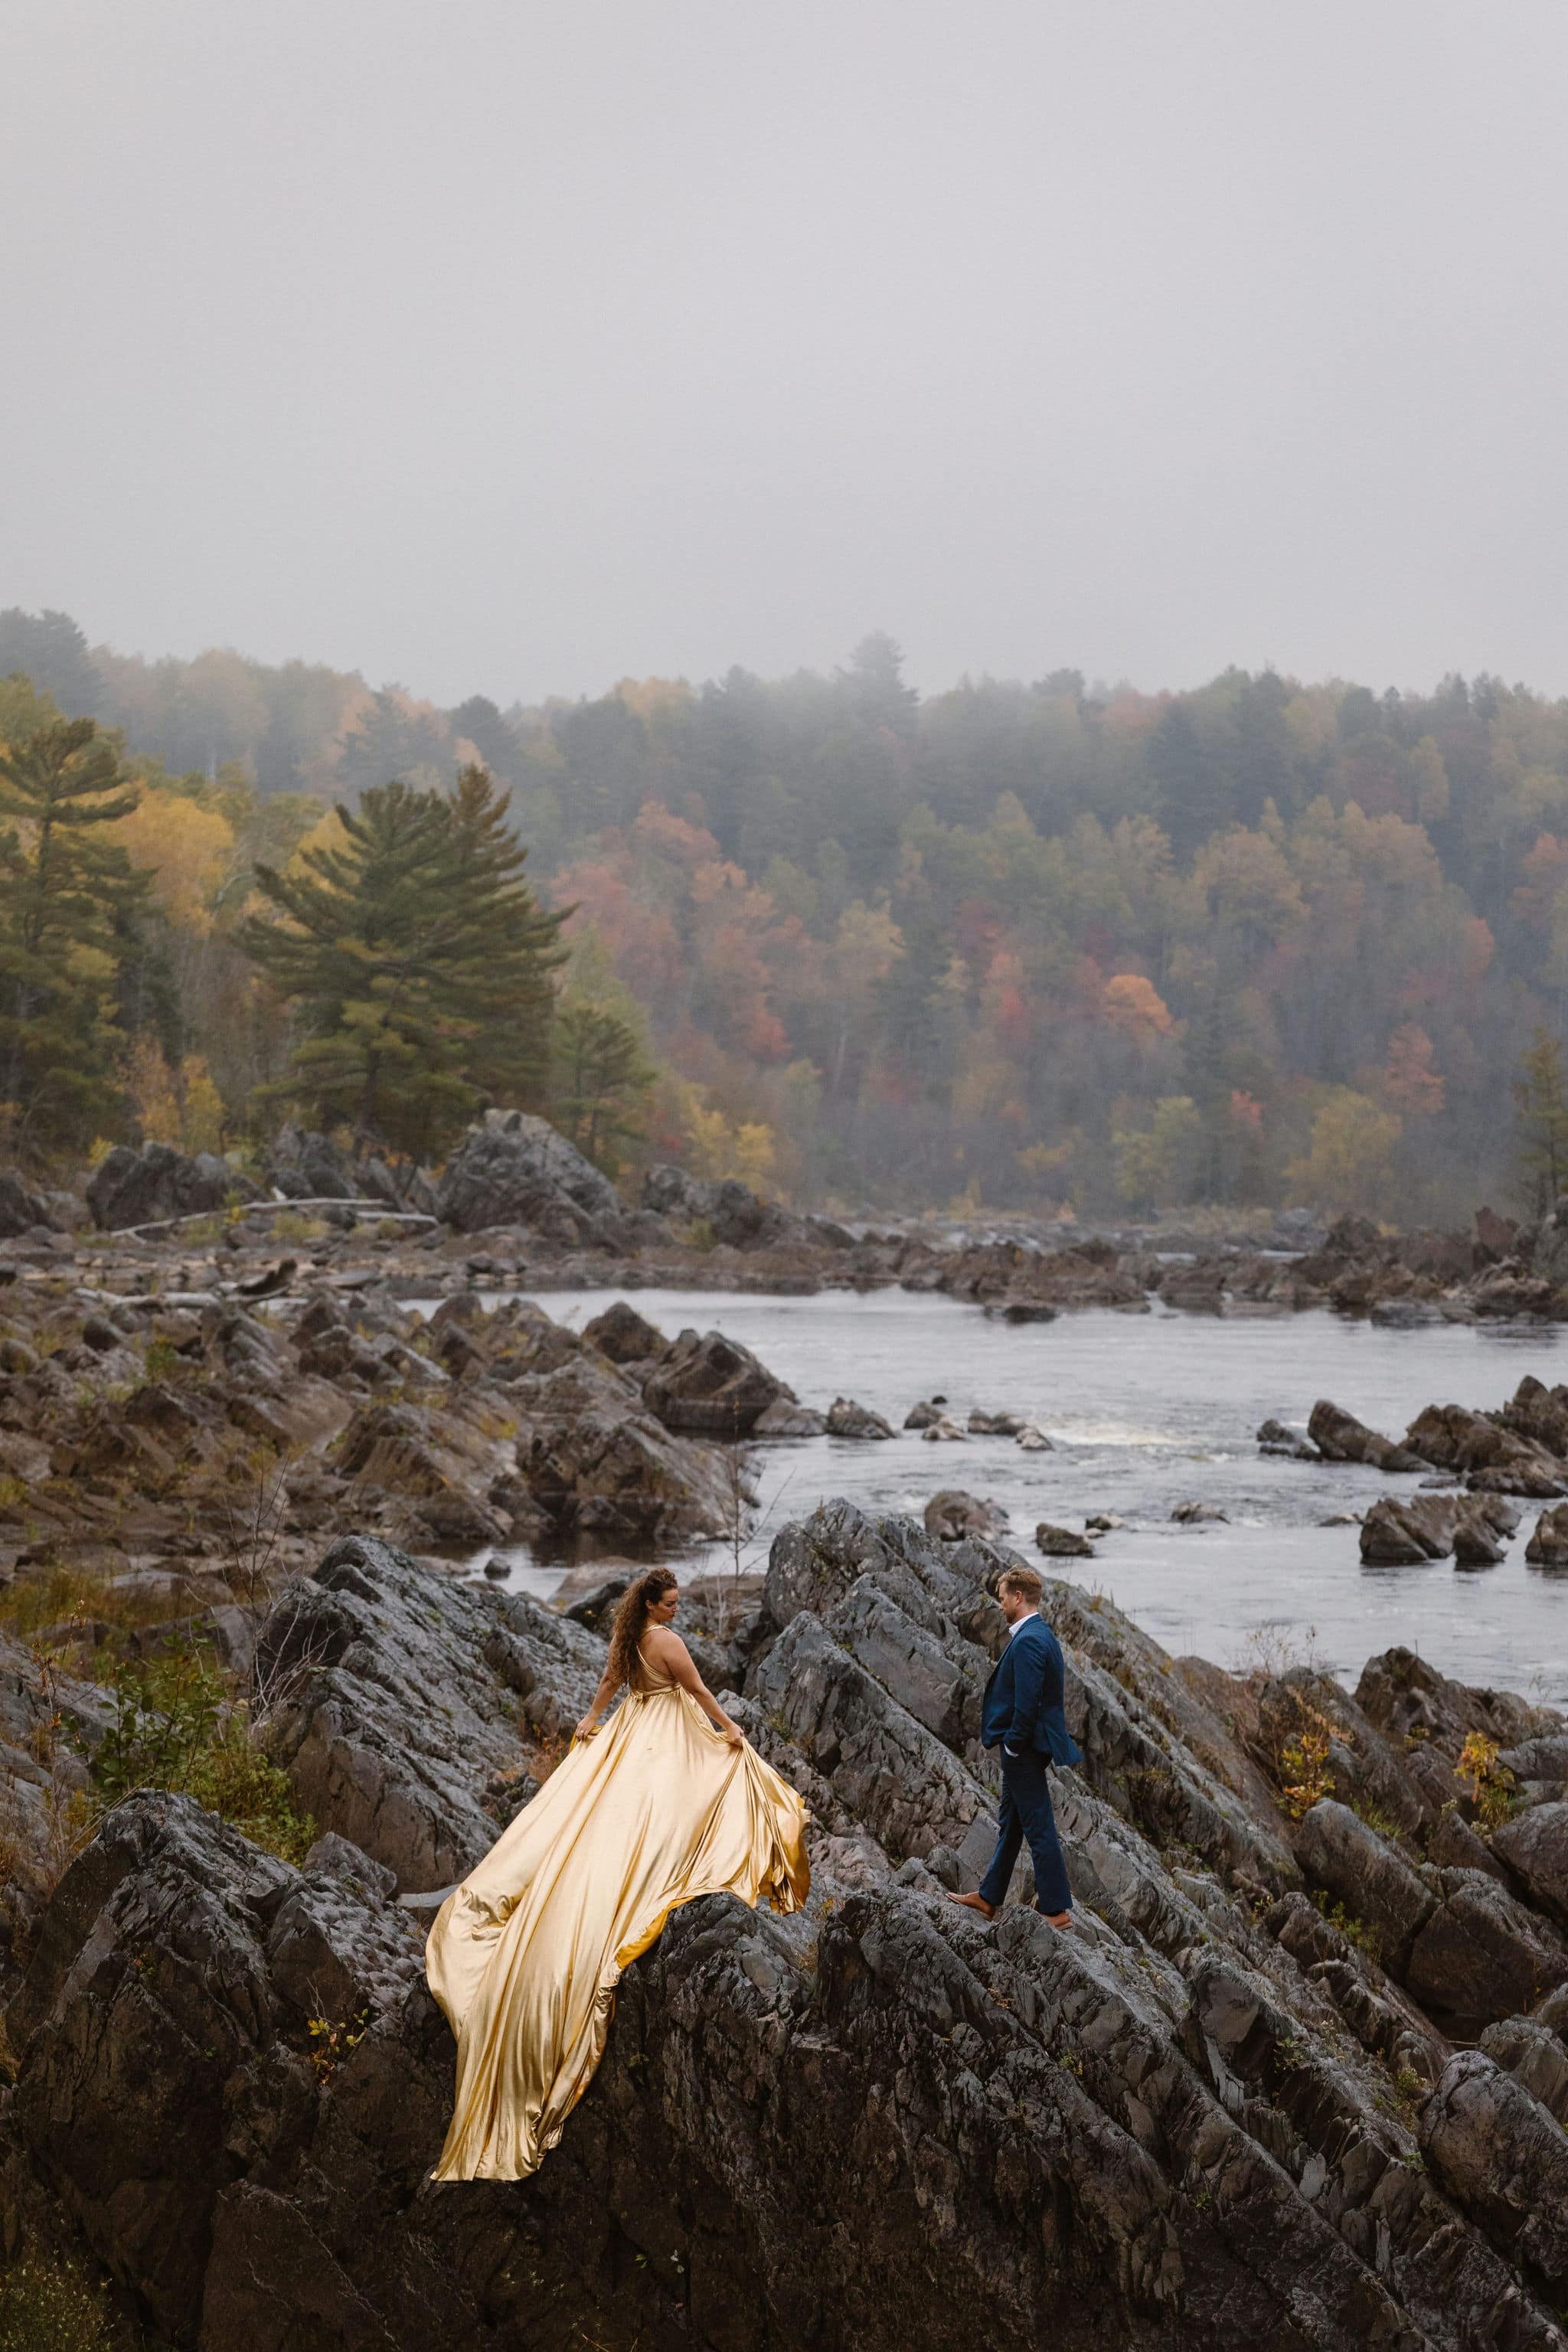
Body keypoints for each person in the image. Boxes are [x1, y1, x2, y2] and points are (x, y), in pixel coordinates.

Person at [426, 1566, 809, 2181]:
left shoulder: (630, 1637)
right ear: (654, 1604)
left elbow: (609, 1683)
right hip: (663, 1733)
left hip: (630, 1727)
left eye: (680, 1603)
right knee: (687, 1805)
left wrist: (589, 1722)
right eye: (674, 1602)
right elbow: (701, 1693)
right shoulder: (666, 1641)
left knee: (604, 1815)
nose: (679, 1610)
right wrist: (730, 1730)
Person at [949, 1564, 1080, 1926]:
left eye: (1004, 1596)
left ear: (1019, 1597)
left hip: (1023, 1749)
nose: (1001, 1603)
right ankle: (990, 1896)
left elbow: (1028, 1702)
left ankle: (1055, 1909)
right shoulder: (1040, 1634)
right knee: (1012, 1822)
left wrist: (1012, 1746)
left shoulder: (1030, 1641)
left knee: (1038, 1823)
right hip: (1028, 1747)